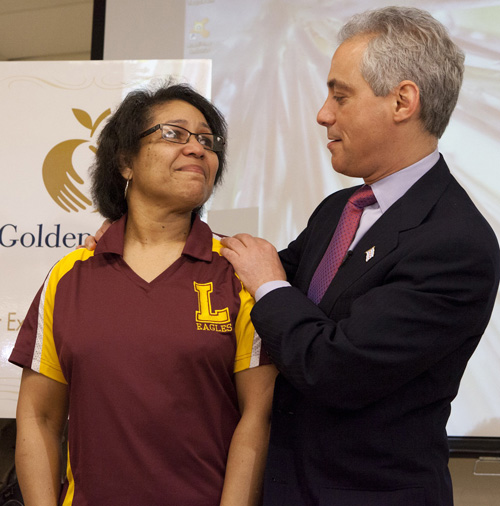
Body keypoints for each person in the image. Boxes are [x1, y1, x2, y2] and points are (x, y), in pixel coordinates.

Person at [219, 6, 500, 506]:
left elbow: (332, 367)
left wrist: (267, 284)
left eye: (340, 95)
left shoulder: (455, 243)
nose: (323, 113)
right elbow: (258, 267)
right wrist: (153, 235)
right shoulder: (341, 208)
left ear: (402, 101)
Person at [10, 82, 277, 506]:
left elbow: (256, 418)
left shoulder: (239, 273)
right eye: (174, 133)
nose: (197, 149)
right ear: (124, 162)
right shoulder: (70, 276)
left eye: (207, 141)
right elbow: (39, 417)